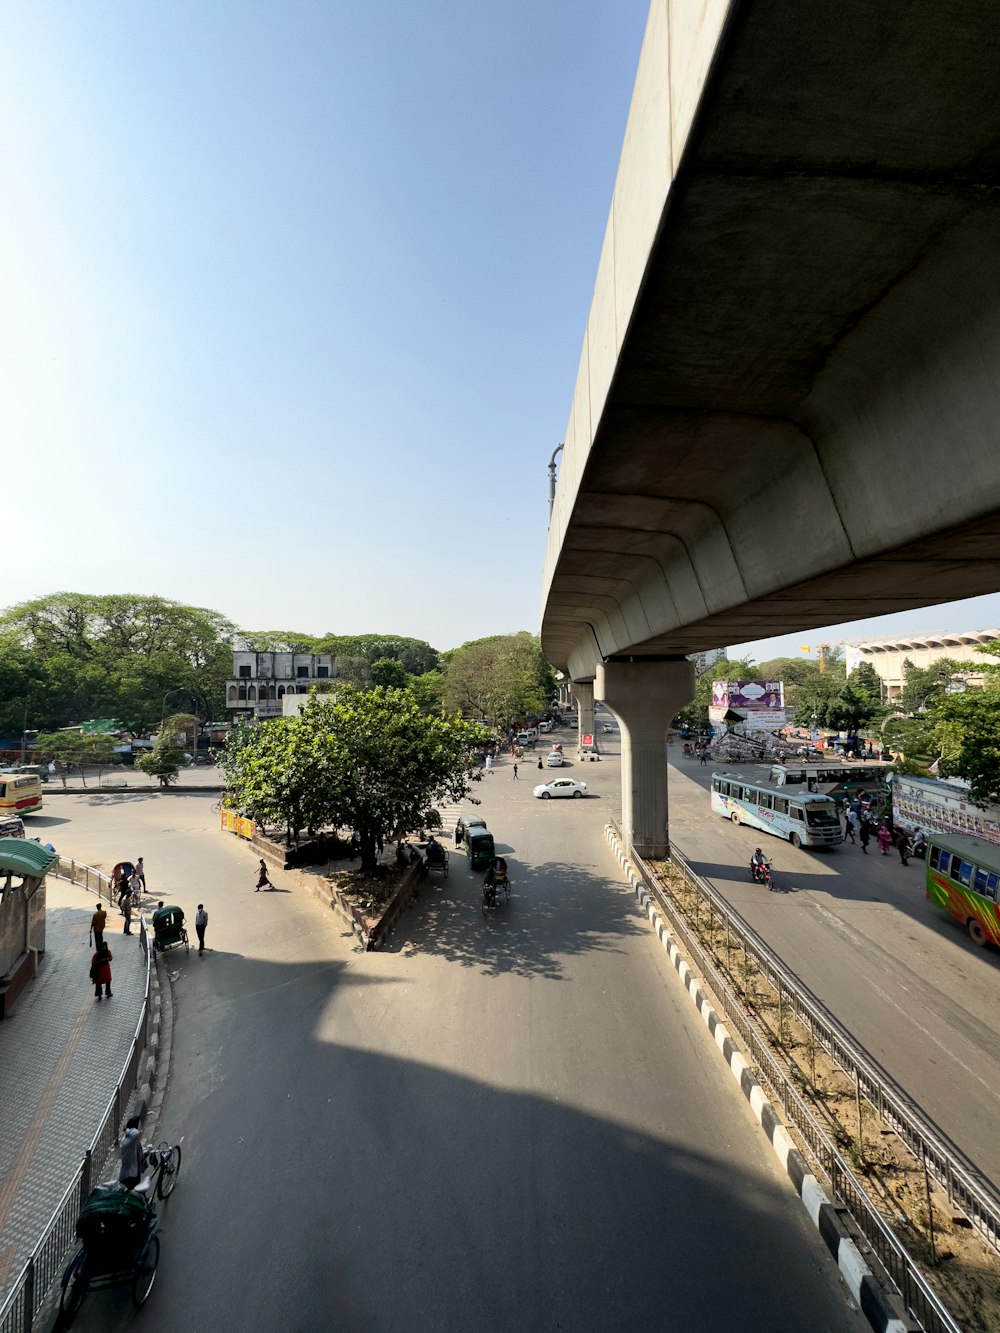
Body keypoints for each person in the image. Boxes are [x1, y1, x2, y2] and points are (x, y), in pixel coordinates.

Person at [119, 1116, 145, 1189]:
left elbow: (137, 1150)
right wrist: (126, 1129)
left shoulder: (132, 1139)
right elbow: (136, 1133)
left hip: (135, 1172)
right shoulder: (127, 1140)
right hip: (130, 1175)